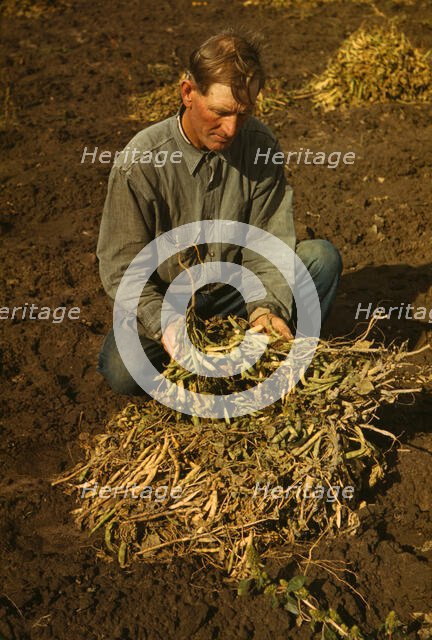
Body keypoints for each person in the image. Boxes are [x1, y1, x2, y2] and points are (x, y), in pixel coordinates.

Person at [96, 29, 342, 395]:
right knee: (121, 369)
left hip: (237, 294)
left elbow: (269, 243)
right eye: (220, 112)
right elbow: (121, 267)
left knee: (320, 259)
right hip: (170, 300)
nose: (230, 129)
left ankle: (272, 361)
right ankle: (196, 364)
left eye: (243, 114)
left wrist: (264, 308)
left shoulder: (259, 147)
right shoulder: (142, 162)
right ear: (187, 93)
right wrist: (165, 323)